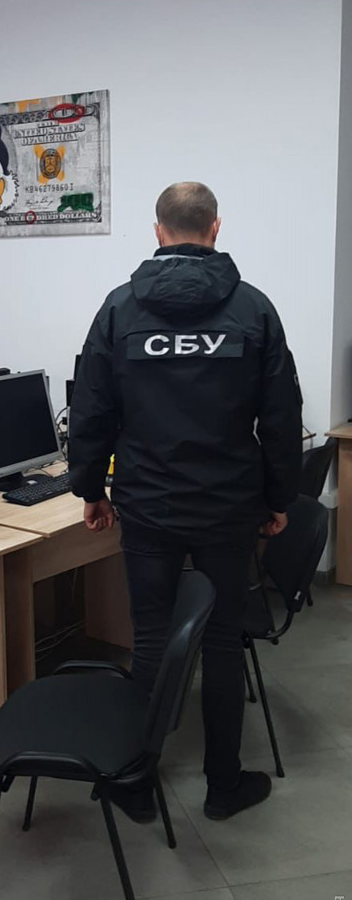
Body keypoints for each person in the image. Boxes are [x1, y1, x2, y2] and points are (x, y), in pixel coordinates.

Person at [68, 182, 303, 821]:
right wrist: (279, 497)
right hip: (229, 505)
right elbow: (281, 417)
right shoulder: (253, 309)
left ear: (158, 232)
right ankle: (223, 785)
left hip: (147, 504)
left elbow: (91, 408)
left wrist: (90, 488)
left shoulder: (119, 310)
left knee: (150, 638)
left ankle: (135, 783)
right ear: (215, 228)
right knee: (223, 640)